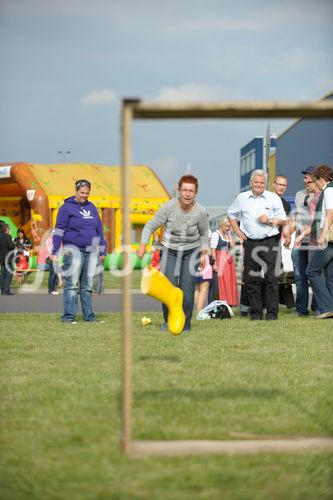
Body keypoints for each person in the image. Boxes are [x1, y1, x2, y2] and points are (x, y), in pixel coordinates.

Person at [136, 174, 209, 332]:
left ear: (195, 193)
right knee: (168, 288)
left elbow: (204, 234)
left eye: (191, 191)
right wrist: (142, 245)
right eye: (184, 190)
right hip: (170, 250)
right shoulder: (168, 207)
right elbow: (150, 226)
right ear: (179, 191)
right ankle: (168, 320)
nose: (187, 194)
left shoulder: (201, 211)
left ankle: (186, 324)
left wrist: (204, 253)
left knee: (187, 289)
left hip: (191, 251)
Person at [227, 169, 286, 320]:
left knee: (271, 277)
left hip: (270, 241)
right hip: (250, 243)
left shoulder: (273, 198)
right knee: (251, 279)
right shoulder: (242, 198)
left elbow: (283, 219)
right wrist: (238, 232)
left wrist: (270, 221)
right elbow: (231, 214)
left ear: (265, 184)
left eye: (262, 183)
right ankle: (256, 314)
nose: (259, 185)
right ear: (251, 183)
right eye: (256, 182)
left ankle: (272, 314)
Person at [51, 179, 107, 323]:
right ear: (76, 191)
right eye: (82, 192)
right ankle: (69, 317)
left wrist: (102, 250)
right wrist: (55, 250)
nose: (84, 196)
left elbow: (99, 230)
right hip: (73, 250)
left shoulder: (92, 207)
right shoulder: (66, 208)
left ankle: (89, 317)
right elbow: (59, 230)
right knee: (72, 284)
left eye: (87, 193)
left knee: (87, 285)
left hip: (91, 251)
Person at [289, 166, 318, 316]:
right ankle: (301, 308)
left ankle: (317, 306)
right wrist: (288, 234)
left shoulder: (322, 195)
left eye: (309, 178)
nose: (306, 181)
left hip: (315, 241)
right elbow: (295, 217)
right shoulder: (299, 195)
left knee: (315, 274)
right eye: (305, 178)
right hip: (299, 241)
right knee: (300, 276)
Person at [306, 164, 333, 319]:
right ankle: (329, 308)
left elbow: (330, 213)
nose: (316, 184)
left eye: (316, 181)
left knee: (312, 271)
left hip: (329, 238)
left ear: (322, 179)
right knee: (330, 277)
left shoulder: (328, 190)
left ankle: (326, 307)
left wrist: (323, 234)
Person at [272, 175, 295, 309]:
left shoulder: (286, 204)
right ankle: (272, 303)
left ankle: (289, 305)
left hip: (279, 242)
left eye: (284, 185)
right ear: (274, 184)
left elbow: (287, 223)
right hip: (266, 241)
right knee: (272, 273)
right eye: (279, 184)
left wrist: (288, 236)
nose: (281, 187)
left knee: (282, 273)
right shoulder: (267, 199)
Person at [210, 216, 238, 307]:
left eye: (229, 227)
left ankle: (228, 302)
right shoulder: (215, 234)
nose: (228, 228)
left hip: (227, 261)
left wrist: (229, 234)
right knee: (220, 283)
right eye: (226, 226)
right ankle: (219, 303)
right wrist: (214, 264)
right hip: (219, 259)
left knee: (228, 281)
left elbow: (233, 246)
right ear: (221, 225)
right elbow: (213, 250)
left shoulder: (227, 235)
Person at [0, 222, 15, 295]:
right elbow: (11, 246)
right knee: (9, 274)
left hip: (1, 258)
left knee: (2, 274)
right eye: (9, 229)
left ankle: (2, 290)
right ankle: (6, 290)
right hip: (8, 258)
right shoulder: (8, 236)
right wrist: (14, 243)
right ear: (6, 229)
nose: (9, 230)